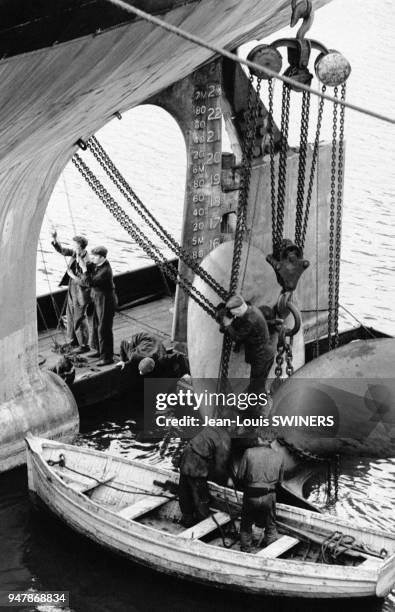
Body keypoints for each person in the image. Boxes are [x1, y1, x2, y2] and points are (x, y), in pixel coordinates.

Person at [236, 433, 284, 552]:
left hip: (251, 495)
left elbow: (240, 476)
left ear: (258, 438)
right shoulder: (279, 456)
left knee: (246, 524)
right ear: (272, 440)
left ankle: (246, 549)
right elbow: (280, 482)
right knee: (271, 524)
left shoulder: (248, 452)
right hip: (269, 496)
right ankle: (271, 550)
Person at [219, 294, 275, 395]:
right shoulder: (251, 309)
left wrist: (228, 325)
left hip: (261, 357)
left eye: (232, 312)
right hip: (266, 354)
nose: (232, 314)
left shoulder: (250, 320)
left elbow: (237, 337)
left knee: (255, 385)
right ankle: (258, 401)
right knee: (259, 384)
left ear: (237, 310)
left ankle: (254, 407)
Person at [179, 426, 232, 527]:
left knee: (184, 490)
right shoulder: (225, 439)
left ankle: (187, 518)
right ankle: (202, 525)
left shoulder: (210, 427)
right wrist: (227, 480)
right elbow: (220, 467)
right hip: (196, 465)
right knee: (201, 497)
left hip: (186, 457)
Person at [51, 231, 90, 353]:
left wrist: (72, 275)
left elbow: (86, 282)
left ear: (79, 246)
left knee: (79, 317)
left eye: (74, 244)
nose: (72, 246)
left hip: (81, 293)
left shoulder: (87, 261)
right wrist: (55, 239)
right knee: (70, 314)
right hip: (72, 289)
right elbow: (62, 250)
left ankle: (84, 345)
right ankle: (74, 340)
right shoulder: (75, 253)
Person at [79, 246, 116, 366]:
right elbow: (91, 266)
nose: (93, 258)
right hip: (98, 299)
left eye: (95, 256)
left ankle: (107, 357)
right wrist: (84, 260)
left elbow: (90, 282)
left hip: (106, 301)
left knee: (104, 328)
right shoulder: (99, 264)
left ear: (102, 257)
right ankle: (99, 350)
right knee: (96, 324)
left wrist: (84, 269)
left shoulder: (105, 271)